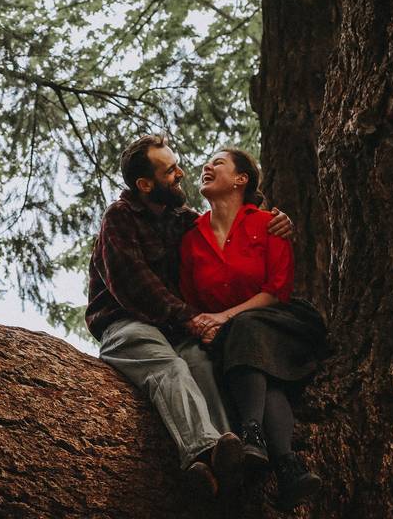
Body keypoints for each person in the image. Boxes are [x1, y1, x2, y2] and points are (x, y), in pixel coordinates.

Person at [85, 135, 293, 497]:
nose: (182, 173)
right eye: (170, 171)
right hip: (125, 325)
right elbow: (135, 285)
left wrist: (274, 220)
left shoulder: (183, 220)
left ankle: (237, 458)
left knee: (202, 364)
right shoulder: (119, 218)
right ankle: (203, 450)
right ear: (145, 185)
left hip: (173, 329)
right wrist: (193, 319)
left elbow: (228, 227)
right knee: (170, 367)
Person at [178, 148, 327, 511]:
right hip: (236, 341)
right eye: (207, 163)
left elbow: (277, 290)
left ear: (241, 179)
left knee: (247, 328)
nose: (207, 166)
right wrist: (203, 324)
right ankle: (289, 466)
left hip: (281, 324)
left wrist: (225, 317)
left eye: (218, 163)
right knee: (266, 374)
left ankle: (250, 432)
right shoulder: (191, 238)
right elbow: (189, 301)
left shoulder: (268, 223)